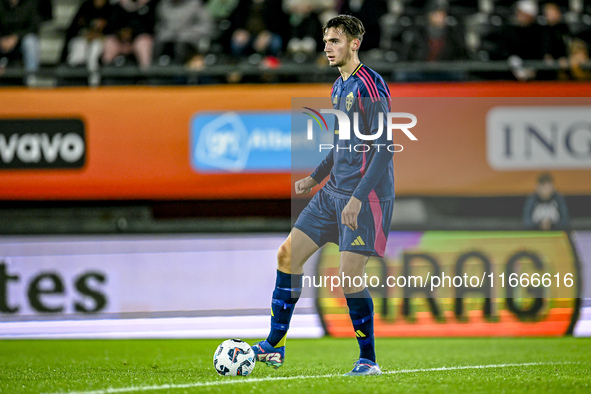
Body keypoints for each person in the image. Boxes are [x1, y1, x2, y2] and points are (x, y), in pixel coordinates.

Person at [251, 14, 393, 376]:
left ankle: (368, 360)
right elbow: (340, 144)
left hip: (365, 196)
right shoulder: (338, 86)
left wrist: (358, 198)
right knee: (286, 256)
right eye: (326, 41)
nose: (327, 47)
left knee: (348, 278)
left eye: (335, 41)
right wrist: (314, 178)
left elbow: (384, 149)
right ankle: (274, 346)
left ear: (354, 44)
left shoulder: (369, 87)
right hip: (331, 193)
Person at [153, 0, 213, 66]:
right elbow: (158, 25)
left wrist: (188, 33)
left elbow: (206, 26)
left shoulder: (195, 4)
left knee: (181, 48)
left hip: (189, 41)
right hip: (166, 41)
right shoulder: (163, 5)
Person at [101, 0, 157, 69]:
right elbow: (111, 26)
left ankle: (145, 75)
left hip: (137, 39)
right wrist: (120, 32)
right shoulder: (118, 6)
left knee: (143, 43)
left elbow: (150, 26)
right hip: (119, 40)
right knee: (109, 42)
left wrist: (133, 32)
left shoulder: (148, 5)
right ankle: (106, 73)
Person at [62, 0, 112, 73]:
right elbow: (73, 29)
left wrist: (99, 35)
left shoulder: (110, 9)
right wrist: (86, 33)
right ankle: (72, 78)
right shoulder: (86, 7)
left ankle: (93, 82)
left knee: (94, 51)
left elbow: (113, 30)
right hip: (82, 39)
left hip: (101, 41)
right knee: (78, 49)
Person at [0, 0, 41, 79]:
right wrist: (3, 38)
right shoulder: (1, 4)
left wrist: (16, 37)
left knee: (31, 42)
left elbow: (34, 27)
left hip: (21, 40)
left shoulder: (30, 4)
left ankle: (31, 80)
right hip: (2, 39)